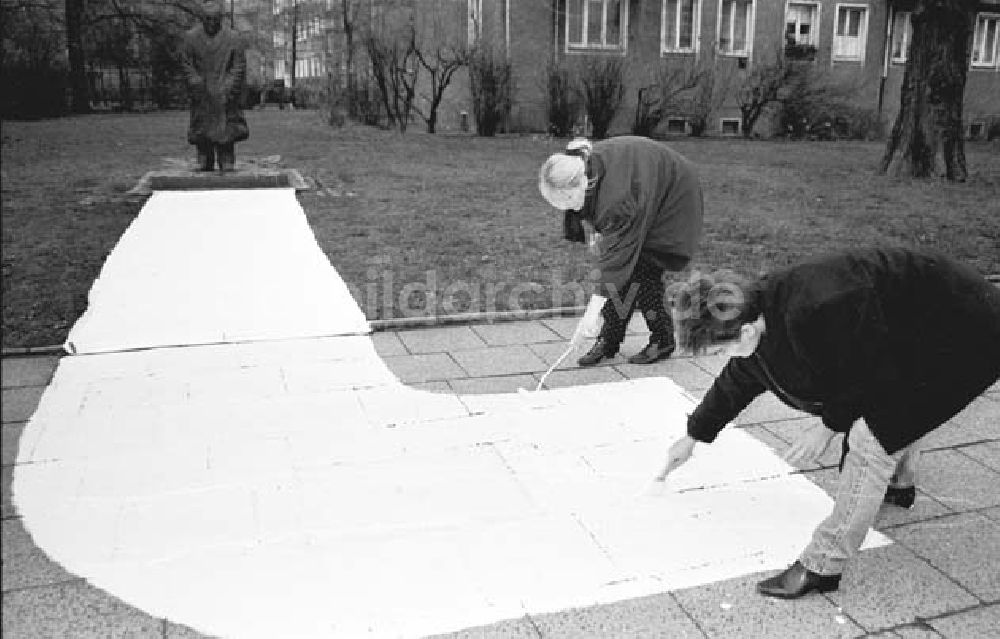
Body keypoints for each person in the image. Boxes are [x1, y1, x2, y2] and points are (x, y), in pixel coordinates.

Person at [657, 247, 1000, 599]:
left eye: (717, 351)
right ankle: (899, 481)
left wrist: (827, 426)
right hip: (911, 331)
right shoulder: (758, 313)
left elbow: (873, 375)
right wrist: (692, 437)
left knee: (871, 438)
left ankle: (822, 565)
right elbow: (738, 380)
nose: (722, 358)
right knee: (893, 415)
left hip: (970, 330)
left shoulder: (819, 306)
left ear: (744, 333)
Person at [539, 136, 704, 366]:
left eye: (567, 201)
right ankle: (610, 339)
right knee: (625, 272)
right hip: (643, 181)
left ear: (581, 184)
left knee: (644, 270)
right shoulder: (582, 168)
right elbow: (610, 241)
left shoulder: (616, 202)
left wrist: (590, 315)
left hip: (671, 194)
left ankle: (662, 339)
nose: (567, 209)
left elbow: (614, 263)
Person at [180, 0, 249, 172]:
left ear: (221, 19)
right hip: (202, 91)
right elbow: (186, 64)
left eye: (215, 19)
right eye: (207, 19)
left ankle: (226, 156)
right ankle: (204, 155)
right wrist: (195, 81)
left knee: (226, 126)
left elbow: (238, 65)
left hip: (225, 91)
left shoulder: (234, 38)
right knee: (202, 125)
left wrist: (229, 86)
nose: (211, 23)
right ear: (202, 19)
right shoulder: (191, 38)